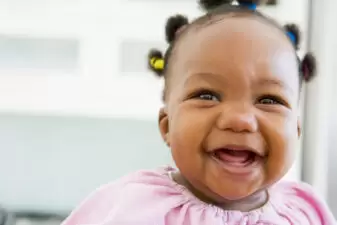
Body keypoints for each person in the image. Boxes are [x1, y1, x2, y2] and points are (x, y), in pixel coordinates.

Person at [61, 0, 336, 224]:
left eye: (268, 99)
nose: (240, 120)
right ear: (167, 126)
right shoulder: (132, 209)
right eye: (207, 96)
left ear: (296, 130)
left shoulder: (306, 212)